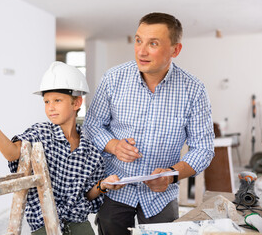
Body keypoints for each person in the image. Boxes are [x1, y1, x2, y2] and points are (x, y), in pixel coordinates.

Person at [83, 12, 215, 234]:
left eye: (153, 43)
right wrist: (114, 145)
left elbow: (203, 149)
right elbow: (92, 126)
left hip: (161, 198)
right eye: (138, 40)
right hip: (115, 188)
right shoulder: (112, 79)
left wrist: (171, 175)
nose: (141, 51)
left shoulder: (194, 90)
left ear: (175, 50)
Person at [0, 61, 124, 235]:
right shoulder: (40, 133)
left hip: (80, 227)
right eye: (46, 101)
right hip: (45, 227)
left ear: (76, 102)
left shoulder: (90, 149)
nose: (51, 107)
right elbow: (12, 153)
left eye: (57, 100)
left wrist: (103, 185)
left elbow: (86, 195)